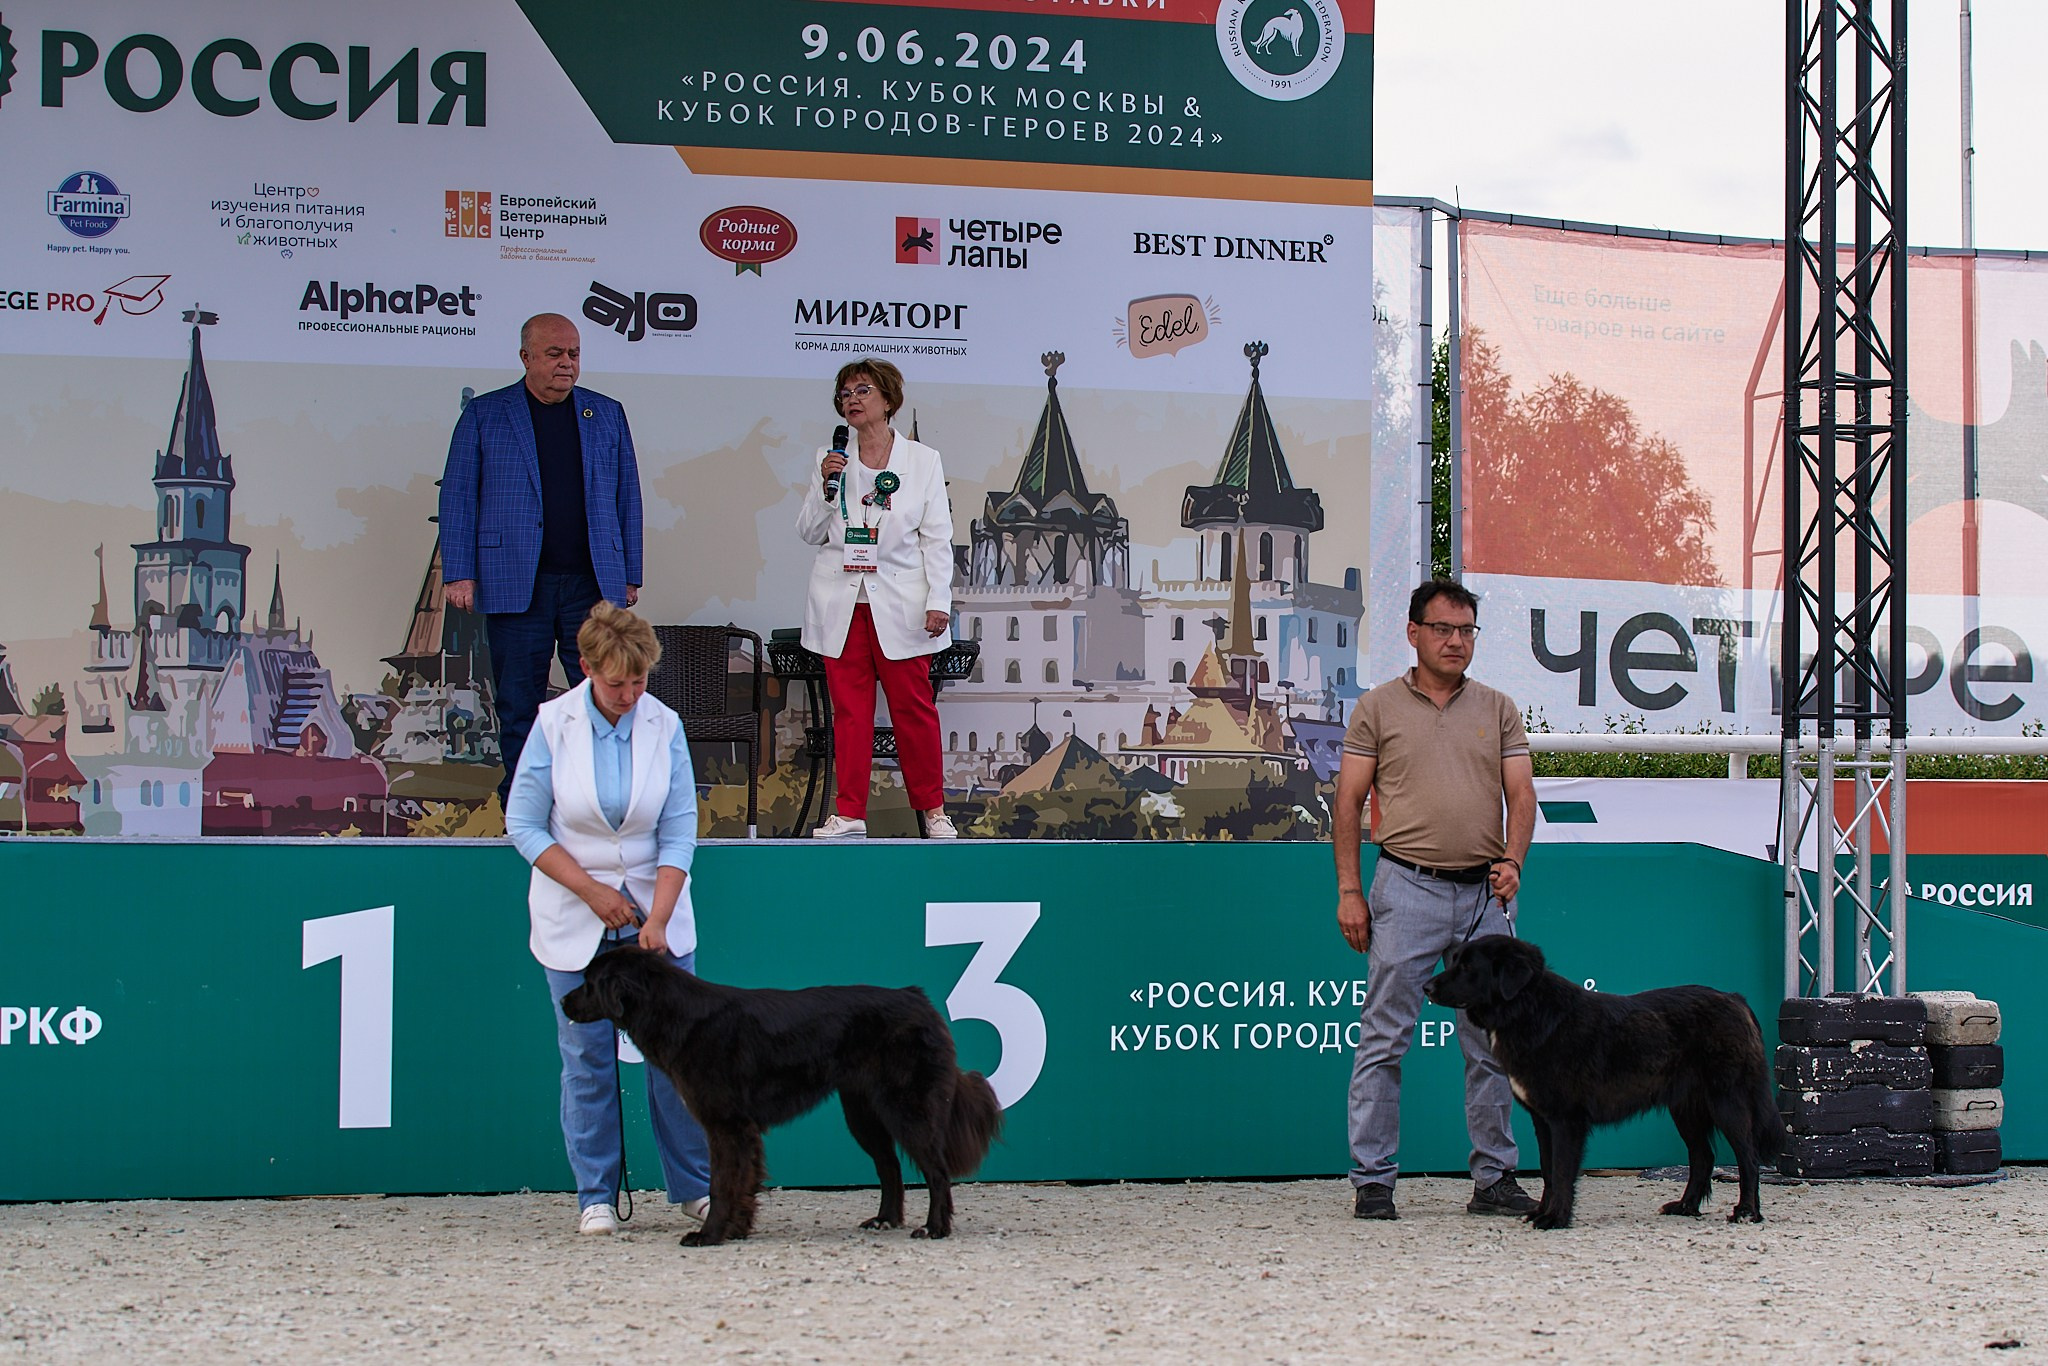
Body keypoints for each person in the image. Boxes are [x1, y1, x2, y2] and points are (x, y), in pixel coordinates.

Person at [1332, 578, 1539, 1221]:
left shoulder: (1499, 707)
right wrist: (1349, 889)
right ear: (1414, 633)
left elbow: (1522, 796)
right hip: (1405, 886)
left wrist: (1513, 862)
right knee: (1384, 1039)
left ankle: (1495, 1180)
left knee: (1491, 1046)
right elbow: (1347, 802)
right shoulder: (1377, 707)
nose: (1456, 641)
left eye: (1467, 630)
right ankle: (1373, 1182)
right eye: (1444, 629)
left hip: (1483, 896)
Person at [506, 601, 711, 1236]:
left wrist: (658, 920)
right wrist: (593, 893)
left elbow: (680, 832)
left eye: (640, 681)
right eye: (617, 683)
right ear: (588, 668)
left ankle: (695, 1190)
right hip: (574, 912)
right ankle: (596, 1195)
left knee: (678, 1062)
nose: (630, 695)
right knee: (587, 1058)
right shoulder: (551, 724)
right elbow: (523, 825)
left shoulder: (664, 724)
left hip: (659, 911)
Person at [440, 312, 645, 798]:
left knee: (601, 698)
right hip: (514, 583)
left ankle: (599, 800)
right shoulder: (486, 414)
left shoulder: (606, 413)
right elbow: (458, 495)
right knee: (518, 703)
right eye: (554, 354)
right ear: (525, 357)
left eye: (573, 354)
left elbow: (627, 496)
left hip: (590, 585)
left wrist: (629, 572)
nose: (567, 364)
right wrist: (460, 574)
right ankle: (525, 806)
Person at [796, 358, 957, 839]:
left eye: (862, 390)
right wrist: (828, 488)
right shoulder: (831, 458)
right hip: (842, 602)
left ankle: (933, 811)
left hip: (902, 602)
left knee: (913, 710)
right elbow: (808, 532)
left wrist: (939, 602)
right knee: (849, 712)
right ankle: (849, 812)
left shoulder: (923, 461)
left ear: (888, 399)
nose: (852, 399)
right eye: (845, 392)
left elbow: (936, 538)